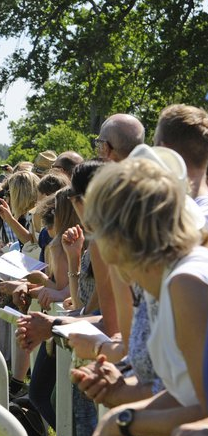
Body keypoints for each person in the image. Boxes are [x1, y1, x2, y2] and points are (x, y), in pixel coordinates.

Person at [80, 156, 208, 436]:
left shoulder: (186, 283)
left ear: (117, 234)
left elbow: (204, 410)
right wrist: (120, 412)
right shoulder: (169, 281)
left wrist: (123, 423)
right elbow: (185, 394)